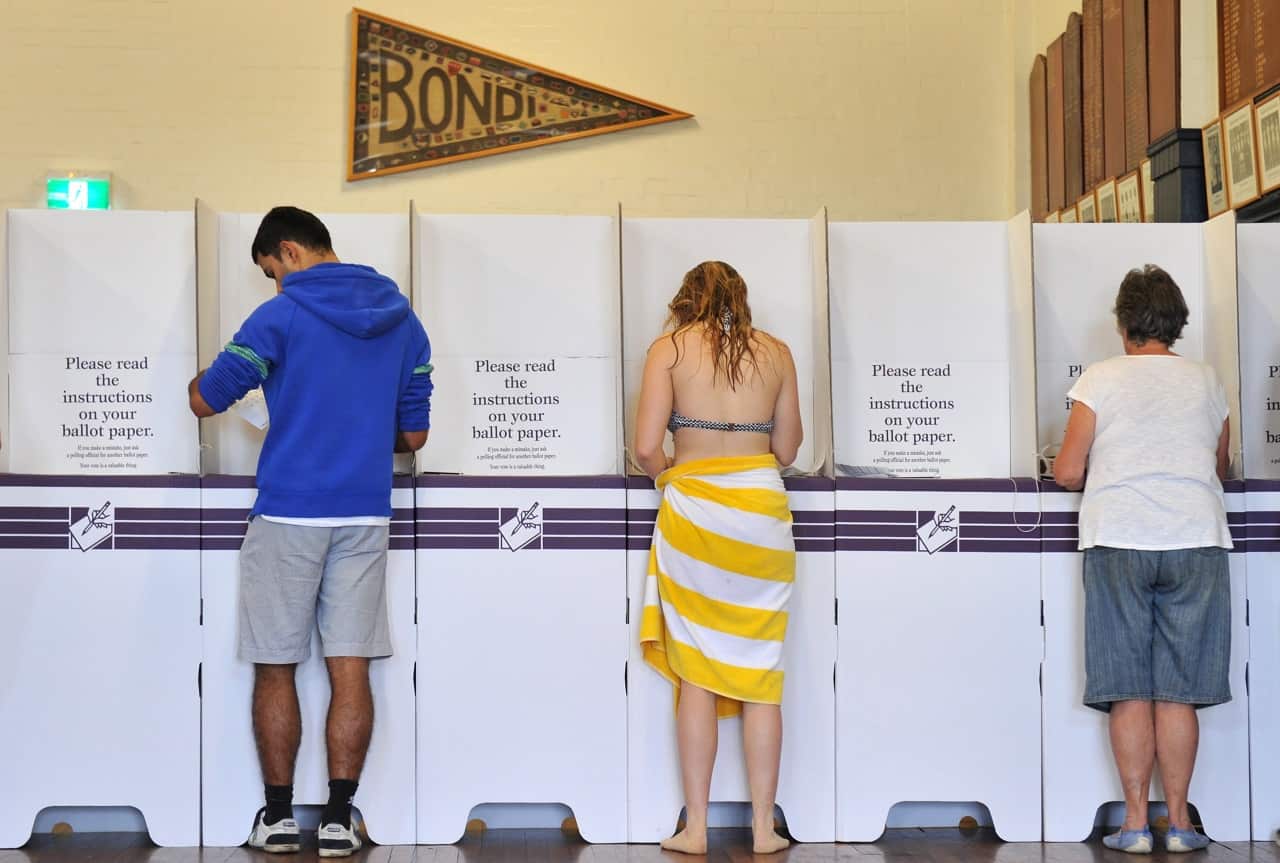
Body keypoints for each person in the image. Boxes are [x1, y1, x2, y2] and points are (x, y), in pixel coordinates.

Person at [188, 207, 433, 857]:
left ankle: (275, 818)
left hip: (289, 510)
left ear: (289, 251)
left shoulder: (281, 315)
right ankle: (338, 816)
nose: (274, 284)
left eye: (272, 271)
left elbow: (207, 397)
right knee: (349, 664)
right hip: (364, 512)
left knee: (276, 663)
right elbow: (413, 436)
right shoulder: (403, 320)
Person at [1054, 264, 1231, 855]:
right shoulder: (1206, 380)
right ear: (1175, 322)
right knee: (1179, 691)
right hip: (1196, 540)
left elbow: (1069, 470)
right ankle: (1179, 824)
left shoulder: (1100, 379)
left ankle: (1133, 825)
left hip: (1120, 538)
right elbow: (1219, 467)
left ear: (1125, 323)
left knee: (1128, 686)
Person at [633, 260, 802, 855]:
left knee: (698, 673)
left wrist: (673, 478)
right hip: (761, 514)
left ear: (686, 299)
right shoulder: (777, 352)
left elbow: (646, 447)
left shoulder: (670, 349)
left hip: (696, 514)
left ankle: (697, 829)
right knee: (761, 673)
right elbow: (786, 448)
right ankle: (762, 829)